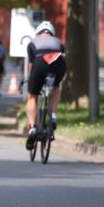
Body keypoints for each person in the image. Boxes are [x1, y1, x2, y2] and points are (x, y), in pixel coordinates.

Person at [24, 21, 66, 151]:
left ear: (38, 32)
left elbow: (32, 66)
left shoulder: (33, 42)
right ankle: (53, 115)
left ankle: (32, 128)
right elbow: (62, 56)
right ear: (51, 33)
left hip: (39, 63)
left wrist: (32, 81)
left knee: (33, 96)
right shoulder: (58, 42)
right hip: (59, 64)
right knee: (56, 86)